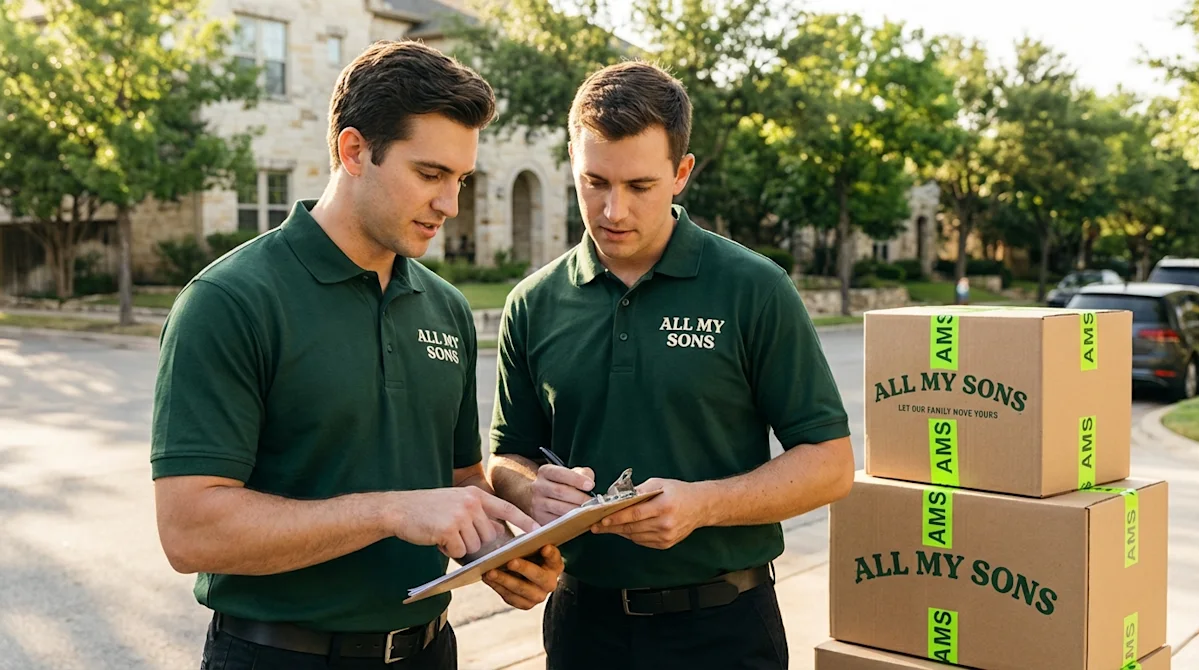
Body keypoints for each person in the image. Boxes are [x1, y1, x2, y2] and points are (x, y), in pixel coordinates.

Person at [150, 40, 562, 670]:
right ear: (353, 150)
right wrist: (392, 511)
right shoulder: (229, 302)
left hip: (430, 651)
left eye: (460, 179)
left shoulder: (444, 308)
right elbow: (189, 531)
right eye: (429, 174)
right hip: (280, 655)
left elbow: (456, 485)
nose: (450, 204)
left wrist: (502, 554)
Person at [486, 61, 856, 669]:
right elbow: (505, 456)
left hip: (723, 627)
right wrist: (530, 490)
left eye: (639, 186)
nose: (612, 210)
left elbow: (831, 465)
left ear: (681, 173)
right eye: (593, 182)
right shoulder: (533, 302)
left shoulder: (754, 288)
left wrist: (702, 504)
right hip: (583, 627)